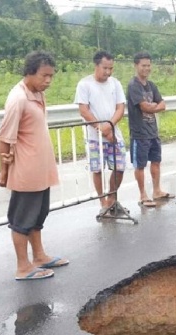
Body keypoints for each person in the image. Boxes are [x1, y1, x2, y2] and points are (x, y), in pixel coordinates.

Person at [0, 51, 70, 281]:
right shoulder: (18, 98)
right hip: (26, 172)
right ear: (30, 72)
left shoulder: (36, 94)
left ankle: (39, 256)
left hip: (41, 170)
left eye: (51, 76)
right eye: (44, 76)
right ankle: (23, 267)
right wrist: (4, 171)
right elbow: (4, 137)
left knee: (38, 216)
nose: (48, 81)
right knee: (22, 220)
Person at [74, 50, 127, 215]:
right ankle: (102, 201)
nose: (108, 72)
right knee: (97, 169)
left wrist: (110, 126)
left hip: (114, 133)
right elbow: (84, 110)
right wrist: (101, 129)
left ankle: (111, 198)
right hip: (94, 137)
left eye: (111, 68)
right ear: (96, 65)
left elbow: (120, 107)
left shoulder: (115, 83)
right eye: (105, 68)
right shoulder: (85, 84)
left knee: (120, 166)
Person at [126, 52, 174, 207]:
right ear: (136, 66)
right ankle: (143, 195)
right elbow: (144, 106)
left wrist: (153, 107)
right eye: (143, 65)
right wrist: (153, 107)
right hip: (139, 133)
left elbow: (162, 104)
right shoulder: (133, 86)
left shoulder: (151, 85)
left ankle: (157, 190)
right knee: (140, 165)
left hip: (153, 131)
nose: (146, 68)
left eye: (148, 65)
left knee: (156, 161)